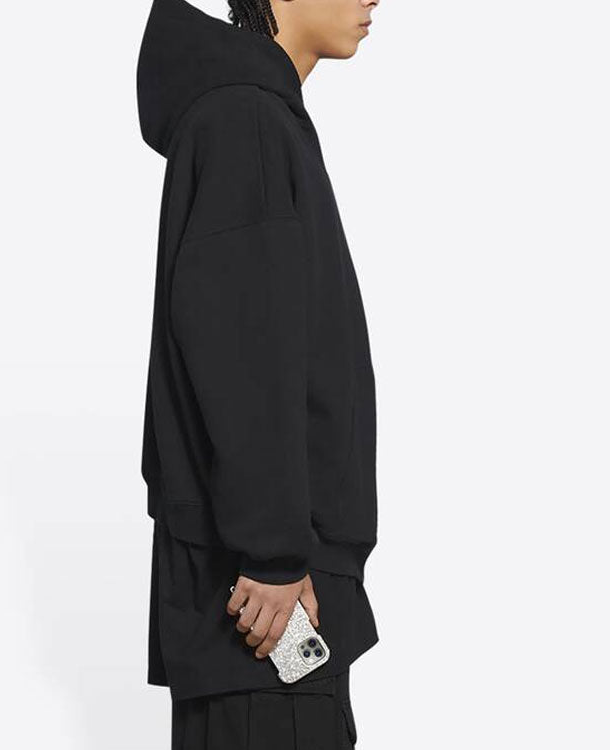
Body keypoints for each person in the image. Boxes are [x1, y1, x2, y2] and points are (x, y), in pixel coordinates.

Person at [136, 0, 381, 746]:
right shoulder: (245, 119)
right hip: (266, 609)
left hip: (270, 602)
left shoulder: (253, 114)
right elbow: (243, 348)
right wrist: (273, 554)